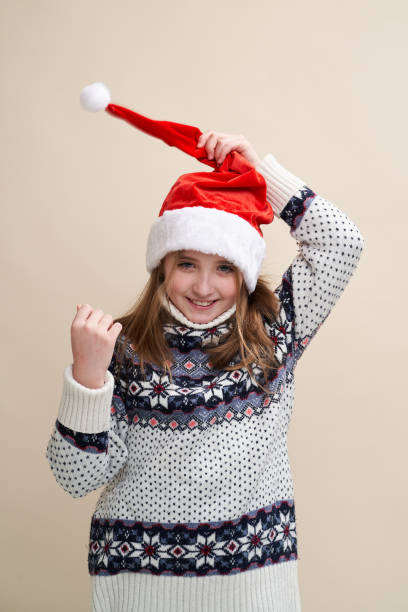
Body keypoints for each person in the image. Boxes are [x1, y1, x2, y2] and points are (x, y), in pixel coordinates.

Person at [45, 84, 364, 612]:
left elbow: (342, 243)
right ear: (162, 267)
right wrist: (87, 378)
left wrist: (261, 173)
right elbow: (77, 479)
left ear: (244, 272)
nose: (203, 286)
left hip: (255, 591)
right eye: (187, 264)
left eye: (224, 268)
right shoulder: (122, 350)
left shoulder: (273, 330)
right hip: (139, 593)